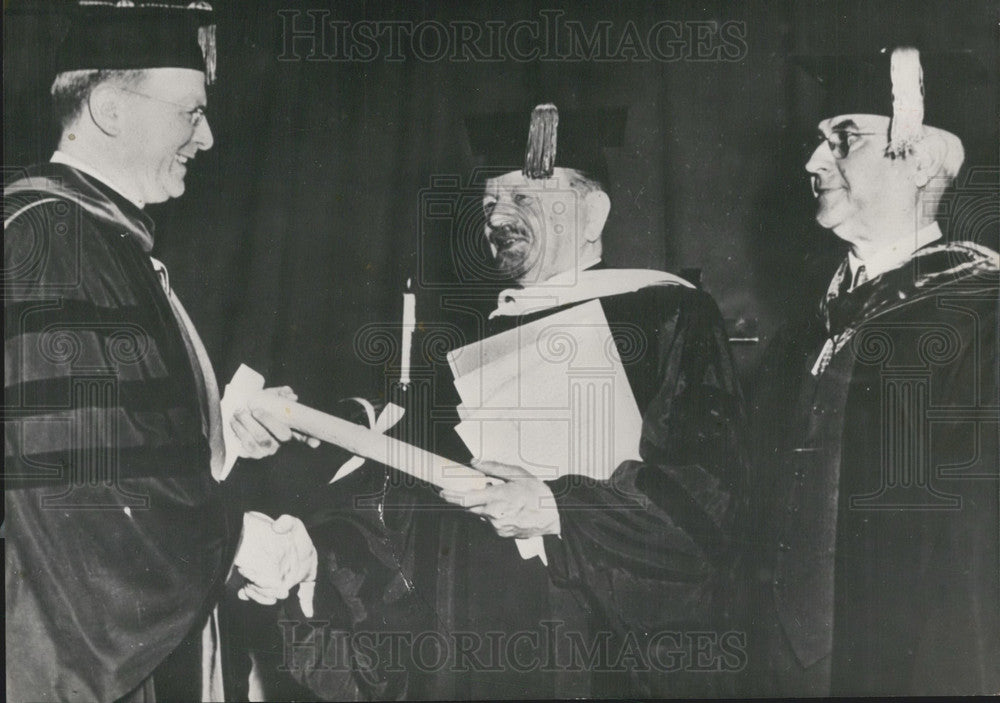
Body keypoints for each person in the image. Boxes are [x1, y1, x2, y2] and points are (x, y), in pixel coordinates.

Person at [286, 105, 748, 699]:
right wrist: (342, 431)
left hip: (602, 647)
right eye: (487, 204)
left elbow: (710, 495)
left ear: (593, 213)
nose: (498, 217)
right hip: (479, 642)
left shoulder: (664, 317)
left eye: (525, 198)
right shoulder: (474, 335)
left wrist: (557, 506)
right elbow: (401, 486)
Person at [4, 3, 317, 701]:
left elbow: (115, 433)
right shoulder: (52, 243)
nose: (206, 137)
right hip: (51, 650)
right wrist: (232, 540)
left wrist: (219, 430)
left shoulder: (99, 239)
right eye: (189, 113)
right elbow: (74, 477)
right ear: (112, 108)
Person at [748, 46, 1000, 696]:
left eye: (844, 139)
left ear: (916, 158)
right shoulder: (804, 330)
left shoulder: (979, 314)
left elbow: (976, 552)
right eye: (818, 141)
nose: (813, 161)